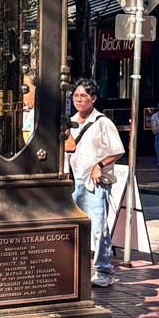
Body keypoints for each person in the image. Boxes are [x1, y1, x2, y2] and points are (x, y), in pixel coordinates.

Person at [68, 78, 125, 288]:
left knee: (98, 227)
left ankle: (103, 269)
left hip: (94, 183)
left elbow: (117, 150)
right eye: (76, 95)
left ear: (93, 98)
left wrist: (99, 165)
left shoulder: (103, 122)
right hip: (75, 181)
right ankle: (76, 266)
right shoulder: (71, 121)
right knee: (75, 227)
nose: (79, 100)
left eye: (83, 96)